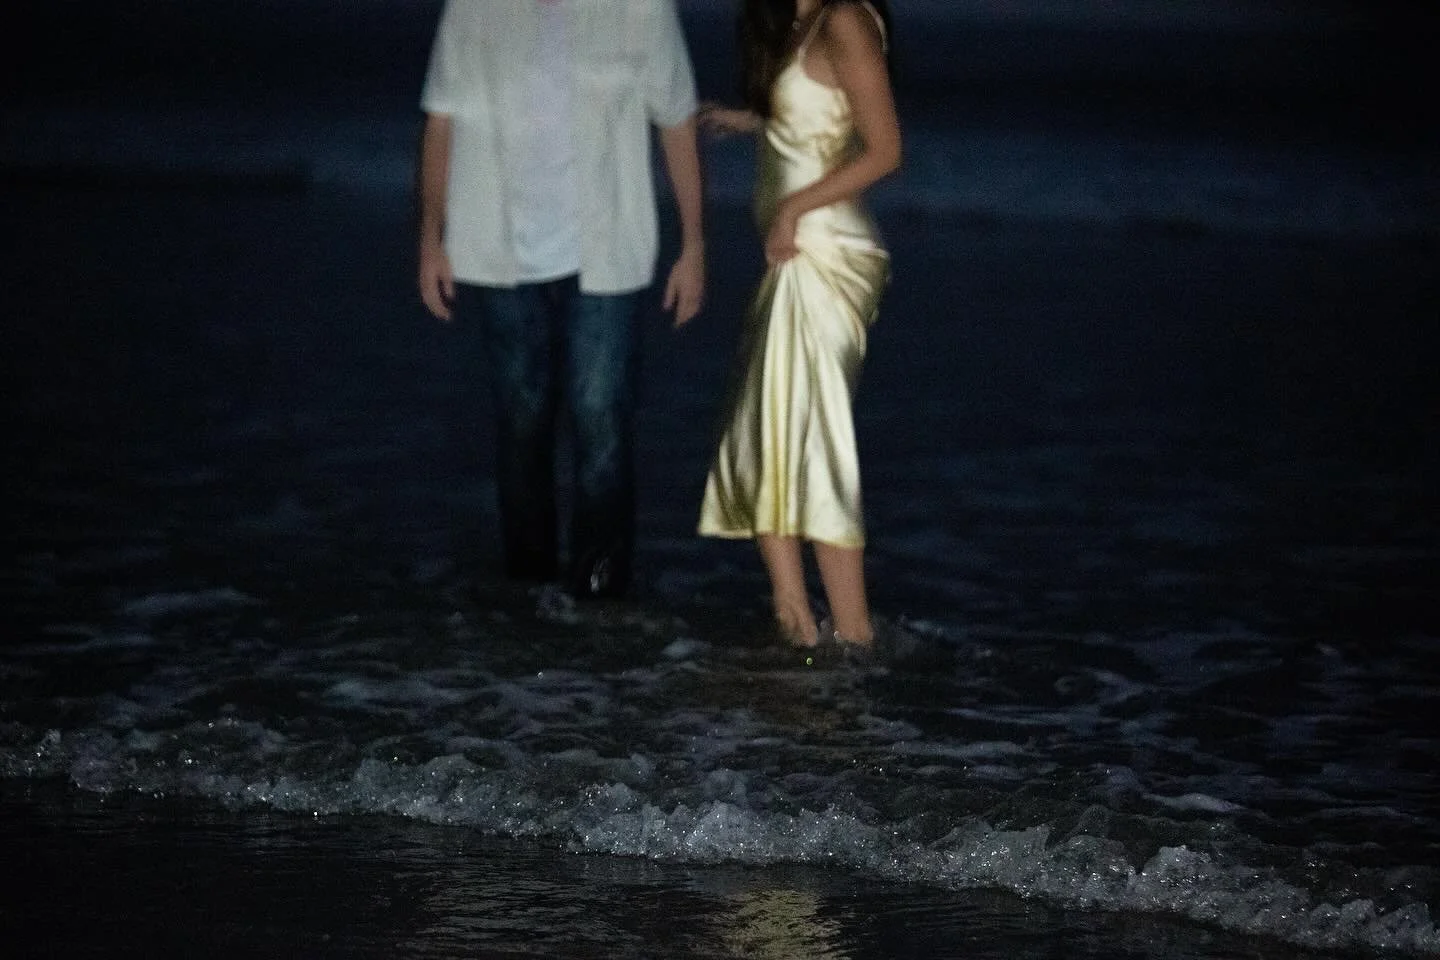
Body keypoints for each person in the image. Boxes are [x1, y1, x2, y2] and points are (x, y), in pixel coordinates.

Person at [416, 0, 705, 600]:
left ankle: (600, 596)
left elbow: (676, 120)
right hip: (497, 249)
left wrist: (694, 244)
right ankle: (530, 591)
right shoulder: (473, 9)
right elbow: (441, 119)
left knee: (602, 424)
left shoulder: (640, 9)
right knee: (521, 427)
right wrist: (430, 238)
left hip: (607, 253)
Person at [696, 0, 899, 654]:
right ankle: (796, 625)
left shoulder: (844, 19)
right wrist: (755, 120)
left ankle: (854, 637)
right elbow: (823, 117)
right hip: (795, 257)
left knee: (812, 443)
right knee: (764, 434)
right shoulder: (799, 21)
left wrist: (792, 209)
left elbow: (885, 149)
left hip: (825, 256)